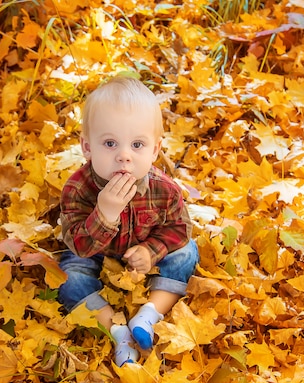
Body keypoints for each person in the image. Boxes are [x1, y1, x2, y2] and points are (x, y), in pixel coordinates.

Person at [58, 76, 199, 366]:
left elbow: (180, 229)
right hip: (95, 252)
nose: (124, 156)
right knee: (68, 277)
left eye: (137, 144)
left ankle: (148, 315)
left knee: (188, 252)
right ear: (87, 147)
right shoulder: (78, 188)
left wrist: (152, 250)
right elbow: (79, 245)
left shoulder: (164, 189)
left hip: (144, 249)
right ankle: (117, 329)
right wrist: (105, 213)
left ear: (155, 150)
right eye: (110, 143)